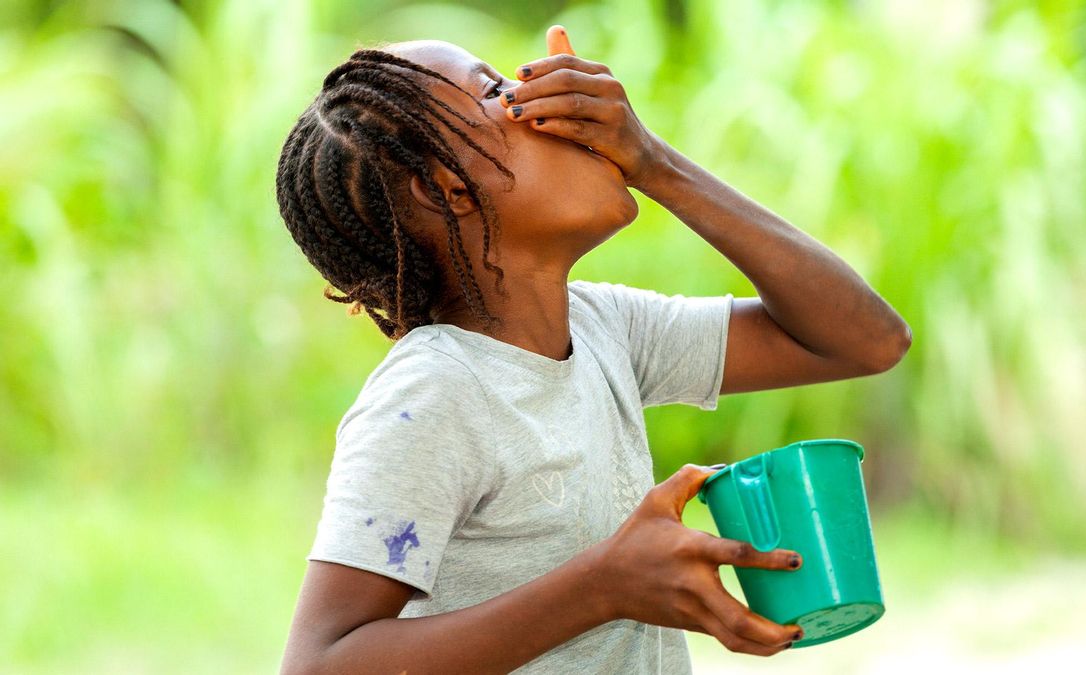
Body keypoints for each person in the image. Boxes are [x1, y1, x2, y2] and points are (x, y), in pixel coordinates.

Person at [276, 25, 911, 675]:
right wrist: (603, 586)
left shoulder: (606, 326)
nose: (545, 94)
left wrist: (655, 162)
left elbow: (867, 340)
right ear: (452, 187)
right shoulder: (434, 392)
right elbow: (318, 662)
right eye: (498, 90)